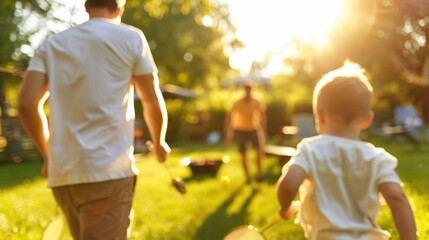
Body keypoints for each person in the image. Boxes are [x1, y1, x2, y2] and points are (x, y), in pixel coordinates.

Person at [18, 0, 170, 239]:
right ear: (119, 9)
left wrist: (48, 156)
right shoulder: (131, 38)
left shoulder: (52, 44)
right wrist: (159, 142)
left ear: (87, 7)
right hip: (106, 172)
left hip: (63, 175)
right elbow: (151, 101)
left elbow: (26, 104)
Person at [276, 62, 416, 239]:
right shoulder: (376, 158)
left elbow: (288, 185)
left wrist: (285, 208)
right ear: (367, 119)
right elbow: (397, 198)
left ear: (319, 115)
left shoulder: (310, 150)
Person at [224, 80, 267, 184]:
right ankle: (247, 177)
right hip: (240, 130)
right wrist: (228, 133)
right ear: (243, 90)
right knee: (243, 154)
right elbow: (230, 118)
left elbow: (262, 115)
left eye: (250, 90)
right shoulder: (237, 102)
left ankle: (259, 175)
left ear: (252, 90)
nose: (248, 92)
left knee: (259, 152)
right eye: (246, 89)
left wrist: (263, 131)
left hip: (253, 129)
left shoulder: (257, 101)